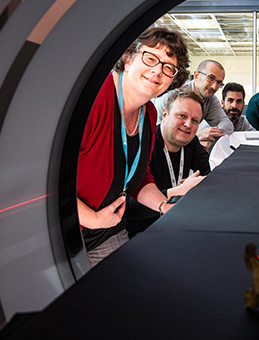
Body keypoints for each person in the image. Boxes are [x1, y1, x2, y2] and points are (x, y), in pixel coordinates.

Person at [76, 27, 189, 266]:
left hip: (108, 229)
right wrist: (93, 218)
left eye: (168, 68)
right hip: (65, 231)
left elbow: (139, 178)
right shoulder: (95, 99)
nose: (157, 71)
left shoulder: (148, 113)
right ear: (128, 58)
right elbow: (43, 183)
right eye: (150, 58)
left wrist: (164, 206)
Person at [126, 88, 210, 237]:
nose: (188, 124)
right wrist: (178, 192)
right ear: (165, 115)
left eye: (195, 120)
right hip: (140, 233)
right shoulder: (144, 144)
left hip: (176, 226)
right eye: (182, 116)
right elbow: (129, 209)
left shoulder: (191, 142)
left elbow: (208, 175)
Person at [155, 59, 234, 151]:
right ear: (196, 76)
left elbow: (227, 125)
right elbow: (155, 133)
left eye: (219, 83)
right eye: (211, 78)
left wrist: (209, 137)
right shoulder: (172, 95)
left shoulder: (211, 100)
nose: (214, 87)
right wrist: (198, 136)